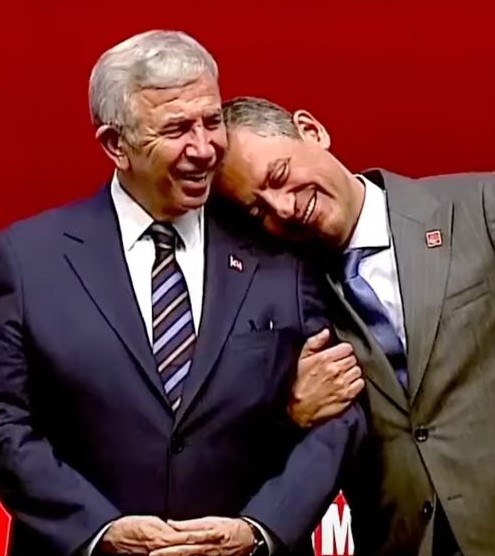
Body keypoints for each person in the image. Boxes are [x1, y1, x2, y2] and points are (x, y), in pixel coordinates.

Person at [213, 95, 495, 555]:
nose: (282, 208)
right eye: (258, 210)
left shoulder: (478, 205)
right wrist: (293, 413)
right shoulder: (288, 296)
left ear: (312, 130)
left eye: (279, 175)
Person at [0, 30, 366, 556]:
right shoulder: (27, 259)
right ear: (115, 145)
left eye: (212, 121)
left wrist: (259, 528)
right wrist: (100, 531)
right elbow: (6, 423)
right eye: (176, 129)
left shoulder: (280, 250)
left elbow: (339, 413)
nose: (204, 148)